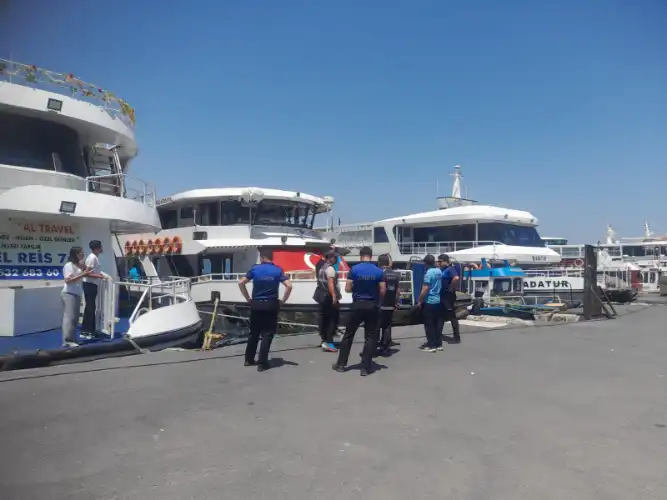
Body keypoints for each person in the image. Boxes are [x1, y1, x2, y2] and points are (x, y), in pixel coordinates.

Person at [332, 246, 385, 376]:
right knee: (370, 336)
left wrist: (356, 290)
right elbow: (383, 290)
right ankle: (365, 367)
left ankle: (341, 364)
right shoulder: (379, 271)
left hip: (357, 305)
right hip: (372, 305)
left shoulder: (354, 269)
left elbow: (347, 288)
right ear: (371, 256)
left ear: (361, 256)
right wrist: (378, 301)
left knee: (349, 334)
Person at [238, 249, 293, 371]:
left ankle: (249, 359)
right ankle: (262, 363)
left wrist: (248, 298)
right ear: (271, 258)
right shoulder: (278, 270)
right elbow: (289, 285)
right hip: (271, 304)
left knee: (254, 333)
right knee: (267, 334)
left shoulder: (255, 269)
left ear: (262, 258)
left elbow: (241, 283)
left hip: (256, 304)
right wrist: (282, 301)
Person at [61, 246, 90, 346]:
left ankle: (72, 338)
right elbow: (68, 280)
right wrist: (83, 274)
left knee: (75, 318)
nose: (83, 254)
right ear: (75, 254)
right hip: (69, 293)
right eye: (80, 252)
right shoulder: (69, 265)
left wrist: (83, 270)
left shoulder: (77, 266)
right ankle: (67, 340)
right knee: (69, 317)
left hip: (76, 293)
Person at [314, 251, 341, 352]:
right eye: (335, 257)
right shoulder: (330, 269)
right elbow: (330, 283)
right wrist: (334, 295)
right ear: (331, 258)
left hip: (321, 296)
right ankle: (329, 342)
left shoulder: (322, 268)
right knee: (332, 319)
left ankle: (324, 340)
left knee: (323, 319)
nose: (337, 259)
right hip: (328, 296)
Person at [415, 254, 442, 352]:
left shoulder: (428, 273)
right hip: (437, 300)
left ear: (426, 263)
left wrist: (419, 300)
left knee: (429, 324)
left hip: (429, 300)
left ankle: (431, 345)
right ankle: (438, 343)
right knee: (436, 324)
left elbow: (425, 288)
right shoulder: (439, 271)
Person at [376, 253, 400, 355]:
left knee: (376, 327)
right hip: (391, 304)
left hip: (380, 304)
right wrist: (396, 303)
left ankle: (373, 348)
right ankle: (385, 348)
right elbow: (398, 291)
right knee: (387, 327)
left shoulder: (380, 273)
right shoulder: (396, 275)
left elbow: (379, 289)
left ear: (379, 262)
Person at [82, 240, 106, 337]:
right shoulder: (92, 258)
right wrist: (99, 276)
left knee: (90, 307)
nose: (101, 248)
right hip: (90, 285)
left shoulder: (93, 257)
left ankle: (86, 330)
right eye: (100, 246)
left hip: (91, 284)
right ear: (97, 248)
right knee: (90, 308)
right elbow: (86, 273)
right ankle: (89, 331)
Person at [437, 254, 461, 343]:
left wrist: (451, 287)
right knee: (441, 315)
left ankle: (456, 337)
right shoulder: (442, 270)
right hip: (442, 295)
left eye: (440, 262)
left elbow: (456, 278)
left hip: (448, 296)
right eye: (438, 261)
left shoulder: (450, 269)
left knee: (451, 315)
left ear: (445, 261)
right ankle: (438, 334)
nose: (438, 263)